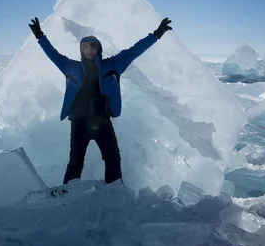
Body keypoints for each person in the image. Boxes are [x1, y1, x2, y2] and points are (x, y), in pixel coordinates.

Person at [29, 17, 172, 185]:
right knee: (75, 162)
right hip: (79, 122)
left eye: (93, 46)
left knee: (112, 159)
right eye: (86, 46)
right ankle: (68, 195)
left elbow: (134, 51)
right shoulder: (71, 67)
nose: (90, 49)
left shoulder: (112, 65)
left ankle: (114, 190)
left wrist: (156, 34)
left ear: (99, 49)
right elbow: (53, 55)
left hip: (102, 121)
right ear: (81, 49)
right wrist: (40, 36)